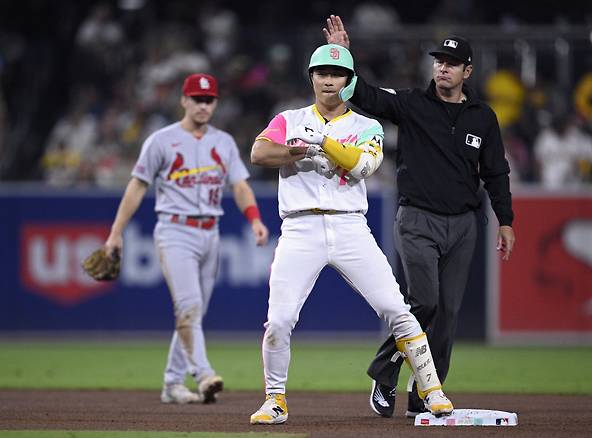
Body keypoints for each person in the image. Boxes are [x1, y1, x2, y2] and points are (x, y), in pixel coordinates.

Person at [248, 44, 453, 425]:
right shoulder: (289, 118)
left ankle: (433, 389)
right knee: (278, 319)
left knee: (396, 309)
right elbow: (259, 153)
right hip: (299, 227)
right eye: (322, 73)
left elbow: (362, 166)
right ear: (311, 77)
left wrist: (322, 142)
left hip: (349, 225)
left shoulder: (367, 125)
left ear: (349, 81)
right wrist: (297, 151)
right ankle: (275, 400)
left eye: (337, 74)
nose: (329, 81)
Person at [323, 16, 516, 417]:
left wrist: (506, 220)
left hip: (463, 224)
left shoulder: (482, 116)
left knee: (447, 314)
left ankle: (424, 392)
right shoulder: (412, 104)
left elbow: (496, 172)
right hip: (417, 220)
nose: (441, 67)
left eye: (450, 62)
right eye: (438, 61)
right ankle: (385, 373)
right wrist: (344, 59)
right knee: (423, 302)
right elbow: (368, 96)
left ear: (467, 71)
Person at [104, 73, 269, 404]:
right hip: (174, 230)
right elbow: (137, 185)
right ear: (184, 100)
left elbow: (239, 185)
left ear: (216, 103)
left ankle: (171, 384)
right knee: (189, 306)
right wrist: (115, 232)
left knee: (192, 313)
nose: (203, 105)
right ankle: (204, 375)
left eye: (209, 100)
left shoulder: (223, 142)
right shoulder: (161, 141)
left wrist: (254, 220)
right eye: (197, 98)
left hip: (211, 232)